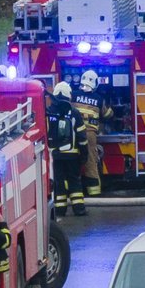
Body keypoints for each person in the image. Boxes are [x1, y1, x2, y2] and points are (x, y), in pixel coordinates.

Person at [47, 81, 85, 214]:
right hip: (72, 155)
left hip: (54, 156)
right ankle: (79, 209)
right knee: (74, 181)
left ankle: (60, 210)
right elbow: (82, 136)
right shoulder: (74, 112)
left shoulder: (48, 112)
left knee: (59, 182)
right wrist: (84, 155)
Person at [75, 68, 105, 197]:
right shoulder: (98, 99)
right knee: (91, 161)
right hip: (90, 135)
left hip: (73, 134)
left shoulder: (73, 95)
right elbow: (107, 114)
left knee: (72, 161)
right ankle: (94, 192)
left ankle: (73, 190)